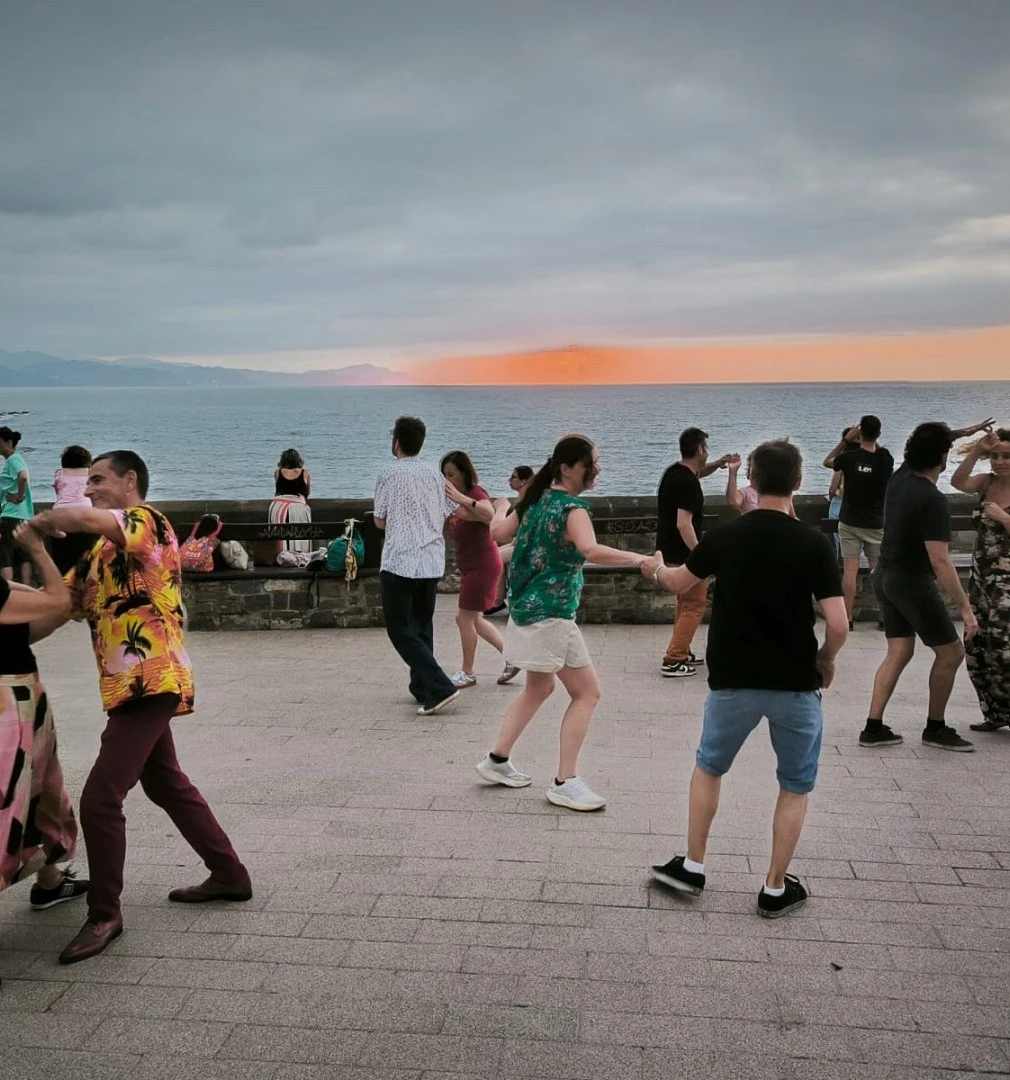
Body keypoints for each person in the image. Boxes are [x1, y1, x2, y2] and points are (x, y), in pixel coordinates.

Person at [28, 450, 252, 964]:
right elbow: (56, 608)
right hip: (126, 689)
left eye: (100, 480)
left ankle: (105, 913)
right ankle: (230, 875)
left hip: (153, 681)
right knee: (165, 780)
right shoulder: (97, 558)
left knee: (100, 799)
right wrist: (35, 549)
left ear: (131, 482)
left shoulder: (148, 524)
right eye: (87, 483)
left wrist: (42, 518)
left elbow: (80, 516)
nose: (90, 489)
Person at [642, 440, 847, 918]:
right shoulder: (814, 543)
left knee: (710, 767)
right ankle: (775, 888)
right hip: (796, 682)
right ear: (798, 483)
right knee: (794, 784)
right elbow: (838, 623)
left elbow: (677, 582)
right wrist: (827, 659)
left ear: (751, 481)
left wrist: (654, 567)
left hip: (732, 677)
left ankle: (692, 865)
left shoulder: (725, 538)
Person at [476, 434, 647, 811]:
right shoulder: (572, 510)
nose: (596, 470)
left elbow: (498, 533)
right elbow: (591, 550)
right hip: (552, 615)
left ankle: (497, 760)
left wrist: (504, 504)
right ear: (568, 468)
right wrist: (640, 559)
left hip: (525, 611)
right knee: (587, 693)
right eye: (591, 463)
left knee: (539, 690)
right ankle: (565, 781)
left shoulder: (534, 500)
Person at [861, 417, 993, 752]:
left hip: (884, 577)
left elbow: (930, 441)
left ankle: (873, 728)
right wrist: (965, 607)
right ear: (944, 457)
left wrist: (966, 436)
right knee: (951, 653)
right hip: (911, 583)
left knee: (899, 651)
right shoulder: (932, 500)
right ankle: (935, 728)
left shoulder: (900, 477)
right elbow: (940, 560)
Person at [0, 520, 88, 980]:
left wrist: (66, 606)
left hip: (23, 697)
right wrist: (38, 549)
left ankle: (50, 881)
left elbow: (22, 631)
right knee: (6, 808)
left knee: (45, 792)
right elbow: (53, 600)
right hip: (5, 707)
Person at [373, 417, 460, 716]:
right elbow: (449, 511)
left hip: (399, 559)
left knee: (399, 629)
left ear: (396, 441)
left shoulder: (388, 474)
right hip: (431, 560)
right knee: (422, 626)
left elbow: (380, 519)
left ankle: (440, 686)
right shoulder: (436, 477)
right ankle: (422, 687)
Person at [656, 427, 734, 678]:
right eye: (707, 449)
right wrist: (701, 554)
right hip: (684, 555)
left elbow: (699, 472)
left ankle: (682, 649)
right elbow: (683, 523)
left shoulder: (675, 473)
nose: (707, 452)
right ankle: (674, 659)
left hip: (668, 550)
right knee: (694, 605)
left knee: (683, 603)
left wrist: (719, 464)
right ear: (700, 449)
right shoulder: (688, 483)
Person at [951, 427, 1010, 732]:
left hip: (1007, 581)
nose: (999, 461)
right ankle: (995, 714)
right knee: (976, 648)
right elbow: (957, 482)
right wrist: (976, 451)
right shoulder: (985, 484)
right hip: (981, 578)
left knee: (1003, 646)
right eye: (995, 455)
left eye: (1006, 456)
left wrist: (1005, 518)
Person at [441, 450, 517, 687]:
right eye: (444, 475)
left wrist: (461, 499)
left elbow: (489, 513)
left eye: (451, 474)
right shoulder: (450, 500)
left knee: (465, 619)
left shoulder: (476, 493)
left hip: (482, 565)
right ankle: (513, 659)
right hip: (470, 566)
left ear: (464, 473)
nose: (447, 480)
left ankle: (468, 672)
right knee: (471, 618)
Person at [823, 416, 894, 628]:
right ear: (879, 434)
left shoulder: (850, 458)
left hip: (850, 521)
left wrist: (846, 441)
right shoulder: (885, 458)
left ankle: (848, 618)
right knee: (878, 571)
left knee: (850, 571)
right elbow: (879, 453)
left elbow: (827, 462)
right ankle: (885, 617)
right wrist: (872, 440)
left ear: (859, 434)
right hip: (875, 522)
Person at [484, 465, 535, 619]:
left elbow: (504, 531)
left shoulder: (528, 500)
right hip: (519, 543)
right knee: (492, 555)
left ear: (523, 481)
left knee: (495, 559)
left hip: (528, 546)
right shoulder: (524, 498)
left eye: (513, 477)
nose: (509, 480)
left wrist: (500, 509)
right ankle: (495, 598)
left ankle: (498, 601)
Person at [50, 444, 95, 575]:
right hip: (85, 514)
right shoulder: (91, 473)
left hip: (60, 517)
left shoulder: (59, 474)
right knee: (88, 559)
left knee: (63, 561)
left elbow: (59, 494)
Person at [0, 427, 34, 586]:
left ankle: (9, 591)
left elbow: (23, 477)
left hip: (11, 515)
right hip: (25, 516)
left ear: (8, 442)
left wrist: (18, 497)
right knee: (24, 556)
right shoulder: (16, 459)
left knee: (5, 556)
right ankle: (27, 590)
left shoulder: (13, 459)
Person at [726, 451, 797, 517]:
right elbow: (733, 502)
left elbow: (792, 519)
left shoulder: (781, 492)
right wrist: (733, 471)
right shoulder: (746, 493)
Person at [270, 448, 312, 555]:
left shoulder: (278, 473)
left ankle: (281, 554)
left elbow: (278, 491)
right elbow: (307, 494)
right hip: (297, 508)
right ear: (299, 461)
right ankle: (299, 554)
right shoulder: (305, 474)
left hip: (277, 507)